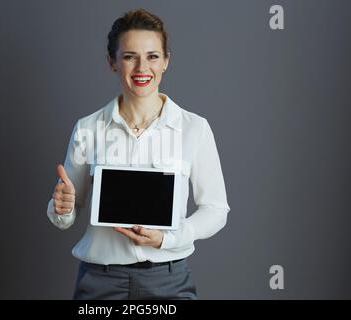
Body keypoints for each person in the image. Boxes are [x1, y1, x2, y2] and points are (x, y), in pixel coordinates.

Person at [47, 8, 230, 300]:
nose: (142, 67)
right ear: (112, 63)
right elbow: (66, 213)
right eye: (130, 56)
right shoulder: (88, 128)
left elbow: (216, 210)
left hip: (169, 280)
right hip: (100, 281)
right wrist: (61, 206)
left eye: (153, 56)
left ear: (166, 61)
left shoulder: (195, 128)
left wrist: (168, 239)